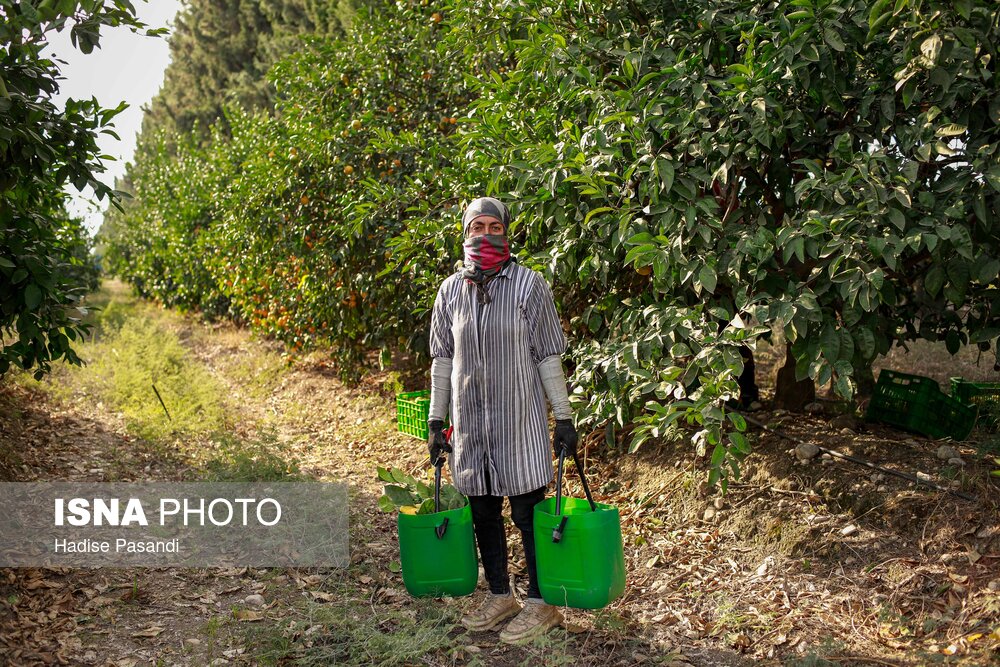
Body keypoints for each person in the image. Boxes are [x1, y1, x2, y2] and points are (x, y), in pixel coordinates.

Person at [426, 196, 579, 643]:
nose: (486, 235)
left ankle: (541, 602)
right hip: (471, 424)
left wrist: (563, 418)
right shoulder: (450, 291)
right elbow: (442, 361)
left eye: (495, 227)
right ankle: (500, 594)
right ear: (465, 233)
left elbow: (548, 355)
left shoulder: (530, 285)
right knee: (483, 511)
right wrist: (435, 422)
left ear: (507, 233)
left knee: (528, 513)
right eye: (478, 227)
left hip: (519, 421)